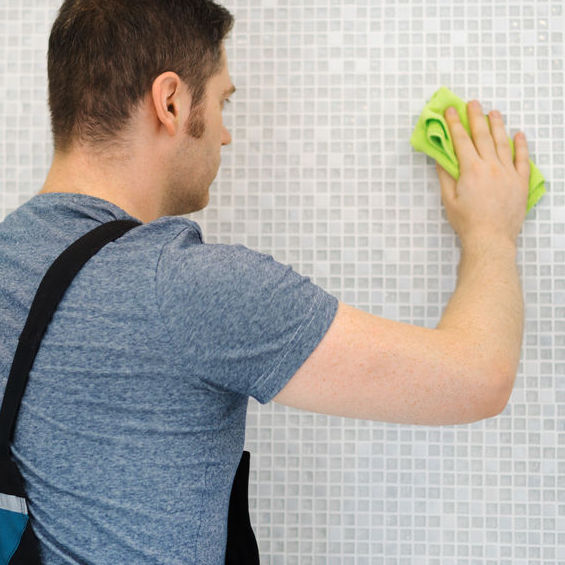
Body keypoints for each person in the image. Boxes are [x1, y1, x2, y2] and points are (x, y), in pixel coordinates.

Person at [0, 0, 531, 563]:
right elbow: (478, 377)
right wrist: (491, 231)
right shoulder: (186, 288)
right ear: (171, 102)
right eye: (223, 101)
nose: (225, 135)